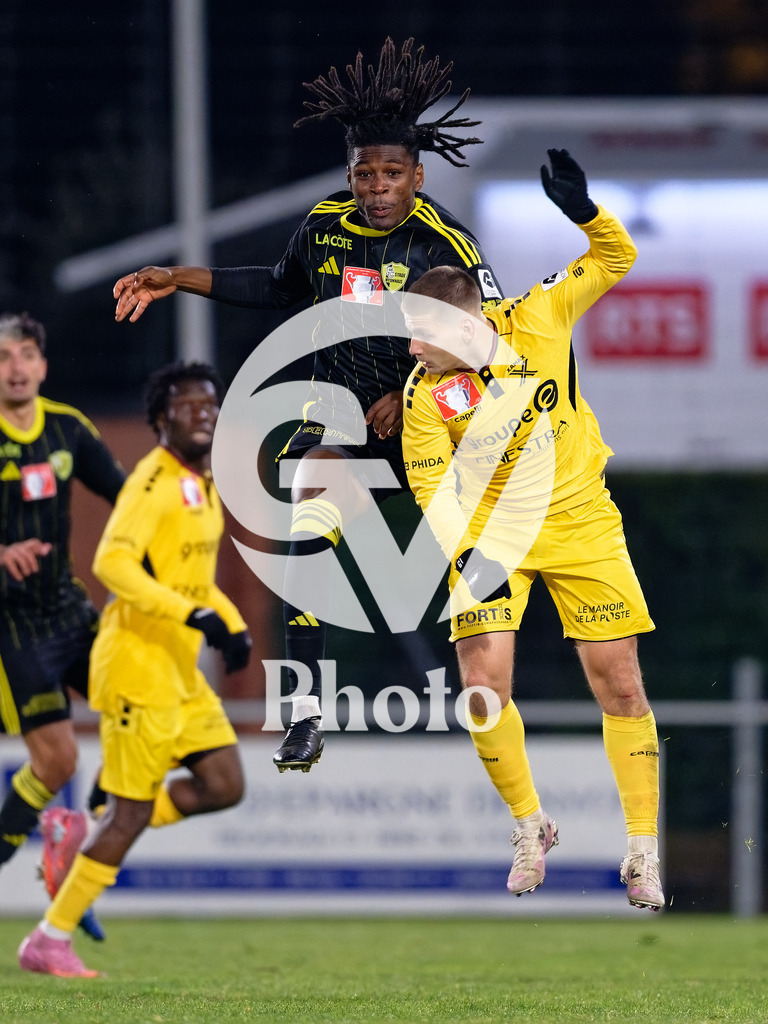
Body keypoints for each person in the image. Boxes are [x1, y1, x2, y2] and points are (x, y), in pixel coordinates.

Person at [111, 38, 503, 773]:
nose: (377, 187)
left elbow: (493, 339)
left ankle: (484, 676)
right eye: (365, 174)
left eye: (392, 174)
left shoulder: (445, 242)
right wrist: (179, 277)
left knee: (468, 550)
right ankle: (306, 716)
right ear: (350, 176)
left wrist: (407, 392)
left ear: (417, 175)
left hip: (429, 414)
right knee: (308, 509)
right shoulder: (325, 225)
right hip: (341, 418)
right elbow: (280, 285)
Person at [400, 150, 664, 912]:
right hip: (489, 536)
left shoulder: (540, 314)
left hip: (580, 521)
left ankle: (642, 852)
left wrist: (582, 212)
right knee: (481, 692)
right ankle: (529, 827)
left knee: (619, 683)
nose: (411, 350)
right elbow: (428, 483)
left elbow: (617, 255)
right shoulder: (427, 392)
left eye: (422, 334)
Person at [18, 361, 253, 977]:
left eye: (210, 405)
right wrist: (195, 617)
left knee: (224, 785)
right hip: (136, 669)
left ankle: (87, 835)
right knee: (133, 812)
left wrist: (230, 625)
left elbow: (194, 581)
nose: (202, 414)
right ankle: (48, 939)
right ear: (158, 422)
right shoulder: (149, 483)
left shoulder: (202, 481)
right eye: (186, 407)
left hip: (179, 671)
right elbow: (112, 564)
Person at [0, 312, 125, 940]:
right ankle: (51, 849)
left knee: (140, 703)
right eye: (4, 357)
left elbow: (126, 498)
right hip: (11, 627)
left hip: (70, 612)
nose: (16, 368)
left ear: (43, 365)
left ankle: (74, 838)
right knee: (56, 761)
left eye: (25, 354)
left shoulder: (69, 428)